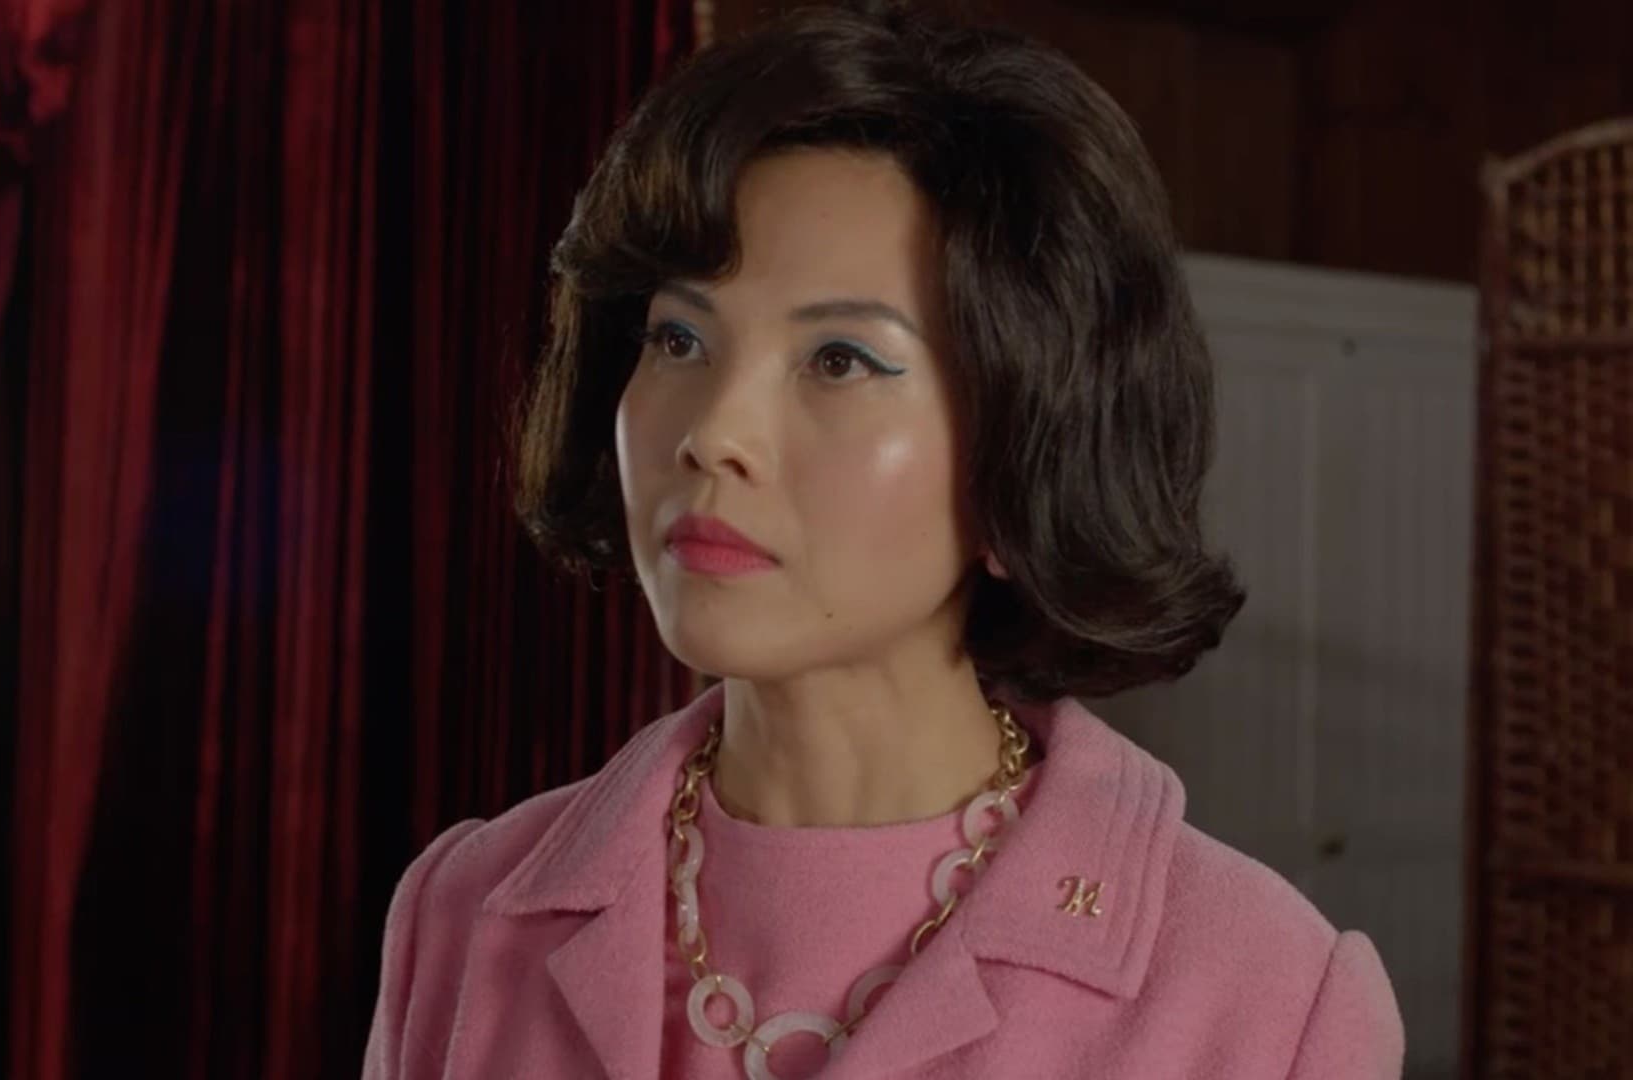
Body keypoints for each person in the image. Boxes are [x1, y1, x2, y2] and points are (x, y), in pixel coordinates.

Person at [361, 2, 1403, 1077]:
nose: (713, 434)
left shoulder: (1268, 1001)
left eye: (839, 361)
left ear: (1022, 453)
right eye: (677, 338)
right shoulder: (460, 915)